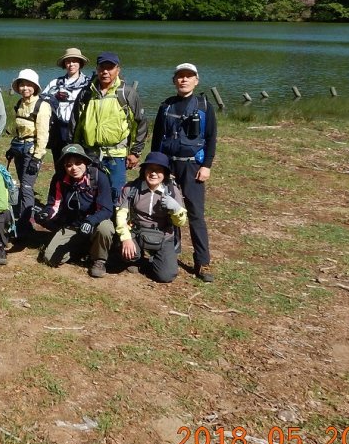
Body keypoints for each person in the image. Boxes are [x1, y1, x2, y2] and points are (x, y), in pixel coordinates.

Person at [151, 63, 217, 282]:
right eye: (180, 76)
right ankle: (169, 253)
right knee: (168, 211)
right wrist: (155, 166)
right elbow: (157, 139)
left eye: (189, 76)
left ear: (196, 80)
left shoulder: (204, 106)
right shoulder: (166, 106)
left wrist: (206, 165)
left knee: (195, 214)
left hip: (192, 167)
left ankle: (203, 261)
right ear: (174, 81)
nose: (184, 80)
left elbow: (211, 138)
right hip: (168, 167)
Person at [72, 52, 147, 205]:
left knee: (116, 193)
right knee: (90, 190)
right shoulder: (87, 93)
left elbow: (140, 123)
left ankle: (116, 225)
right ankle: (93, 224)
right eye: (102, 68)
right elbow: (75, 122)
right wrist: (75, 150)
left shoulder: (127, 93)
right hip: (90, 153)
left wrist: (135, 152)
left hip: (116, 154)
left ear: (117, 70)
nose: (105, 72)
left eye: (110, 68)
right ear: (97, 69)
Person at [35, 144, 115, 278]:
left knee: (105, 228)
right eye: (69, 165)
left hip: (95, 223)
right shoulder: (59, 179)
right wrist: (45, 213)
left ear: (86, 162)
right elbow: (54, 205)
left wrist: (90, 221)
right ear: (64, 166)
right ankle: (82, 248)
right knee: (50, 259)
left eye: (78, 163)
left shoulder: (98, 177)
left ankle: (99, 260)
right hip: (72, 225)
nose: (74, 168)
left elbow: (107, 209)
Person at [114, 151, 188, 283]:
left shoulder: (172, 191)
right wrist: (126, 239)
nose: (153, 173)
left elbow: (180, 222)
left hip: (163, 235)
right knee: (126, 255)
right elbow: (121, 215)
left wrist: (176, 208)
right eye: (150, 169)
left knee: (166, 276)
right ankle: (136, 257)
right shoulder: (131, 188)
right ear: (144, 171)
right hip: (136, 232)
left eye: (159, 170)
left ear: (165, 173)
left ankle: (156, 260)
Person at [7, 68, 51, 240]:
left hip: (32, 151)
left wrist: (37, 157)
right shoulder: (19, 104)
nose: (25, 88)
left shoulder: (42, 106)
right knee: (22, 185)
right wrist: (13, 147)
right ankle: (23, 220)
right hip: (20, 148)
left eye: (28, 85)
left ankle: (27, 223)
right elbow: (19, 131)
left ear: (35, 87)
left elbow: (43, 135)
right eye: (22, 84)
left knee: (26, 187)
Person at [41, 47, 90, 164]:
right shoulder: (55, 83)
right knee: (60, 162)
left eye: (74, 61)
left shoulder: (89, 84)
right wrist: (54, 98)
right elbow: (41, 100)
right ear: (64, 64)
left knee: (78, 162)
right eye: (68, 61)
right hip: (58, 129)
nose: (71, 64)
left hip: (80, 128)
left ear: (80, 63)